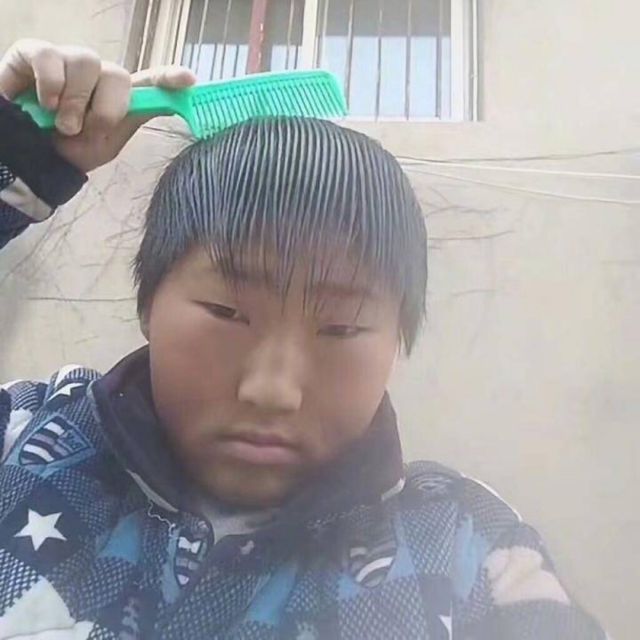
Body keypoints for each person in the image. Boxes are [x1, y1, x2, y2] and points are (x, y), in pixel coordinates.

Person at [0, 39, 607, 640]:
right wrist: (15, 159)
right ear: (147, 304)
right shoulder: (26, 439)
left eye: (341, 328)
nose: (272, 391)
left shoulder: (463, 545)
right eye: (226, 312)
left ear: (397, 340)